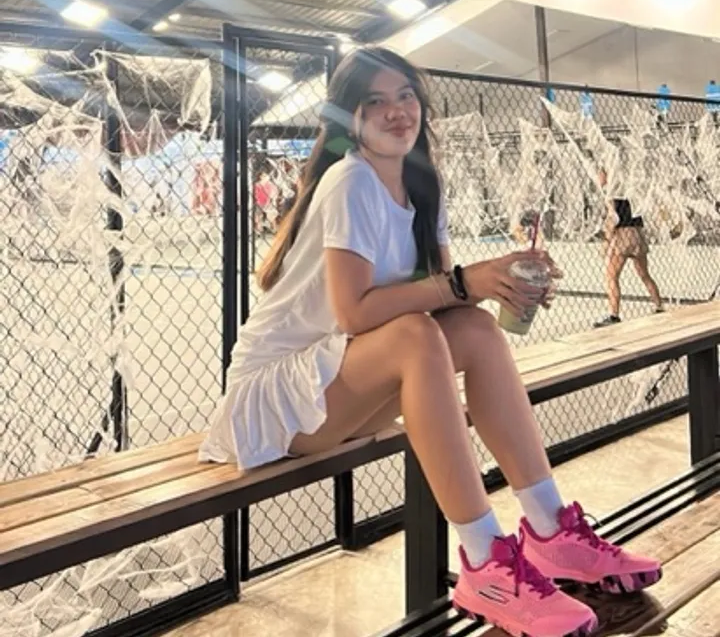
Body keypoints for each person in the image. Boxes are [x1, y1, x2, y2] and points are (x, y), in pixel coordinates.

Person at [200, 48, 662, 637]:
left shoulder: (423, 183)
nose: (397, 112)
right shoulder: (350, 181)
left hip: (341, 387)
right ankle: (485, 563)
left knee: (476, 329)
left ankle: (551, 531)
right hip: (274, 402)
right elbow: (354, 312)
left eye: (406, 96)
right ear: (349, 118)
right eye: (376, 101)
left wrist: (504, 284)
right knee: (416, 335)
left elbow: (447, 301)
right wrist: (465, 282)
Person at [594, 168, 663, 328]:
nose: (599, 178)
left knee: (611, 276)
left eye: (601, 174)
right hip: (637, 234)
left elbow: (613, 219)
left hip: (623, 235)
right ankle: (659, 305)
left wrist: (606, 242)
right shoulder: (629, 192)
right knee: (644, 274)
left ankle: (614, 314)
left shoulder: (610, 194)